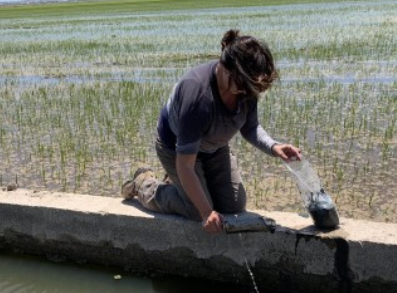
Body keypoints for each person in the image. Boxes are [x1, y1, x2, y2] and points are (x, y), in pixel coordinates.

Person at [121, 29, 302, 234]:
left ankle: (179, 183)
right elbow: (186, 164)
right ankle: (144, 184)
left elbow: (250, 127)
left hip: (213, 146)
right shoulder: (198, 95)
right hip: (176, 149)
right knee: (195, 210)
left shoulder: (247, 86)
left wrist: (274, 147)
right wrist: (206, 212)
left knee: (233, 206)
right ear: (226, 69)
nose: (247, 93)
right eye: (243, 86)